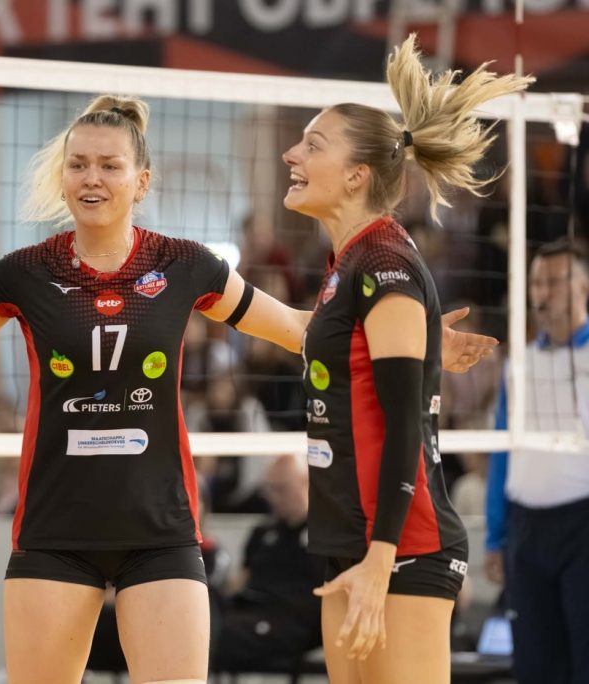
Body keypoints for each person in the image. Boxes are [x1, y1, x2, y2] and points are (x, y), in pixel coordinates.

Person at [0, 94, 495, 684]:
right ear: (62, 177)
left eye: (110, 165)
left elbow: (297, 328)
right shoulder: (23, 271)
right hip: (54, 529)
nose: (92, 177)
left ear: (141, 181)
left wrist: (408, 332)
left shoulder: (185, 264)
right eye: (79, 164)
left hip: (160, 531)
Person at [282, 35, 531, 684]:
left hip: (401, 546)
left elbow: (402, 427)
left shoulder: (384, 263)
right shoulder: (350, 264)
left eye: (312, 145)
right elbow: (343, 354)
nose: (292, 155)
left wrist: (381, 556)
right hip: (352, 540)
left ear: (357, 175)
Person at [485, 238, 589, 684]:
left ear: (582, 286)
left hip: (582, 524)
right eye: (536, 283)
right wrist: (495, 536)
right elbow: (503, 452)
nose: (542, 293)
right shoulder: (519, 365)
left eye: (553, 282)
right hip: (527, 532)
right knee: (533, 666)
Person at [212, 455, 323, 673]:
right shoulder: (262, 533)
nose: (274, 497)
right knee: (206, 619)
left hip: (294, 622)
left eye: (282, 489)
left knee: (218, 633)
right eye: (269, 489)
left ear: (305, 484)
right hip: (252, 612)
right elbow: (240, 581)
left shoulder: (323, 537)